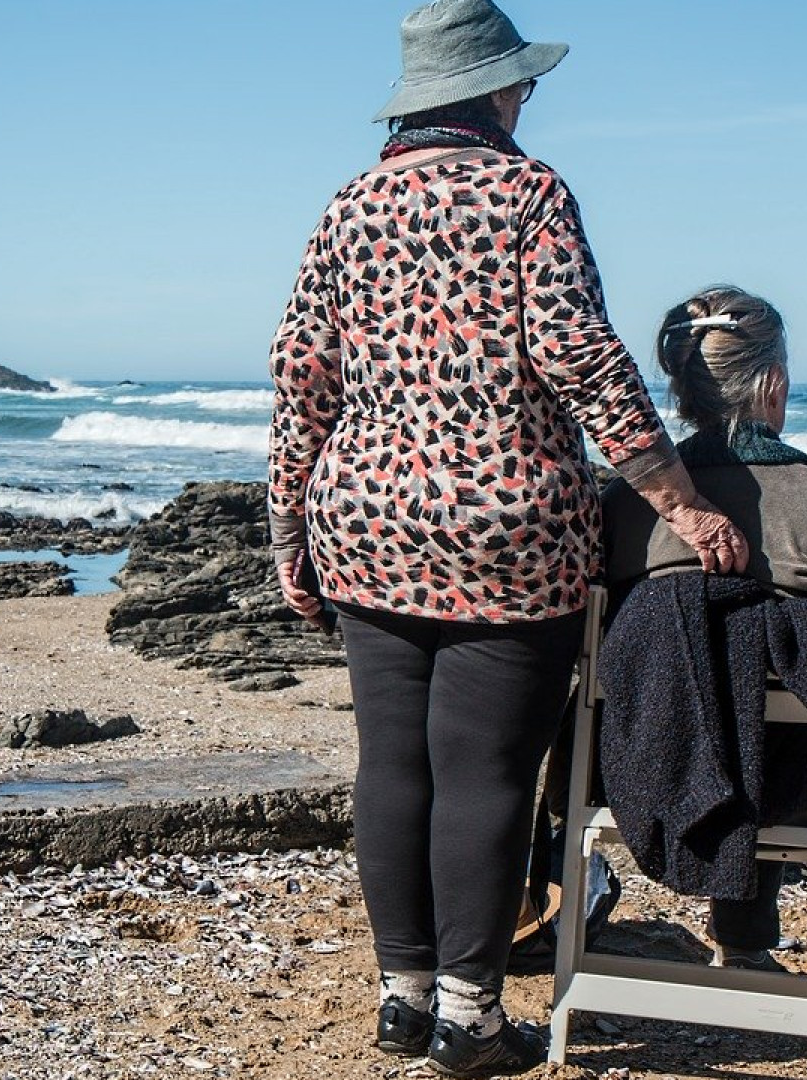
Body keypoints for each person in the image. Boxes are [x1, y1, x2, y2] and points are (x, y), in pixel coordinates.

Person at [266, 2, 749, 1074]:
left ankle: (402, 996)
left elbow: (303, 374)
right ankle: (468, 1018)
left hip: (368, 520)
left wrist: (289, 530)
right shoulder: (528, 192)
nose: (528, 100)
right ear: (491, 90)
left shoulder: (349, 207)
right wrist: (680, 499)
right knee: (484, 772)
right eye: (521, 84)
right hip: (510, 528)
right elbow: (579, 353)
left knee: (392, 765)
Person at [600, 284, 807, 971]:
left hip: (639, 775)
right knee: (785, 719)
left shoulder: (625, 506)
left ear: (684, 393)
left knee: (705, 691)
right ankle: (748, 943)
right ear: (772, 383)